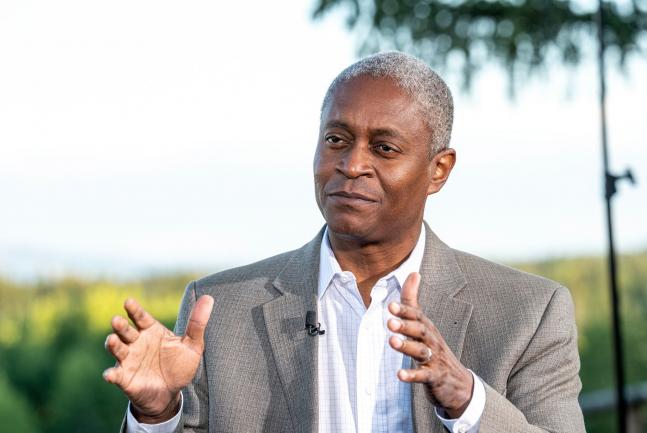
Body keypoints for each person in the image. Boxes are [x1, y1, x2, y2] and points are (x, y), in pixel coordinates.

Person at [103, 52, 586, 433]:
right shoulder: (220, 308)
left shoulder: (529, 313)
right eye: (336, 139)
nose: (352, 164)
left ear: (438, 170)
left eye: (384, 148)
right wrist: (157, 415)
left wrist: (466, 399)